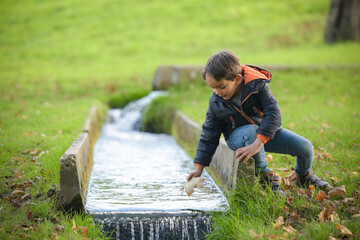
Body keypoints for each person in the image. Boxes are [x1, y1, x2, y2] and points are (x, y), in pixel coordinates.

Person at [186, 49, 330, 195]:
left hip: (262, 133)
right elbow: (209, 133)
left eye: (221, 87)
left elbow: (273, 113)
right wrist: (199, 167)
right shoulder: (216, 102)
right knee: (250, 131)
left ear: (237, 79)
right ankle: (266, 177)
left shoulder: (257, 85)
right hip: (237, 137)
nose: (217, 92)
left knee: (305, 147)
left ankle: (304, 176)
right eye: (212, 88)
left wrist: (258, 144)